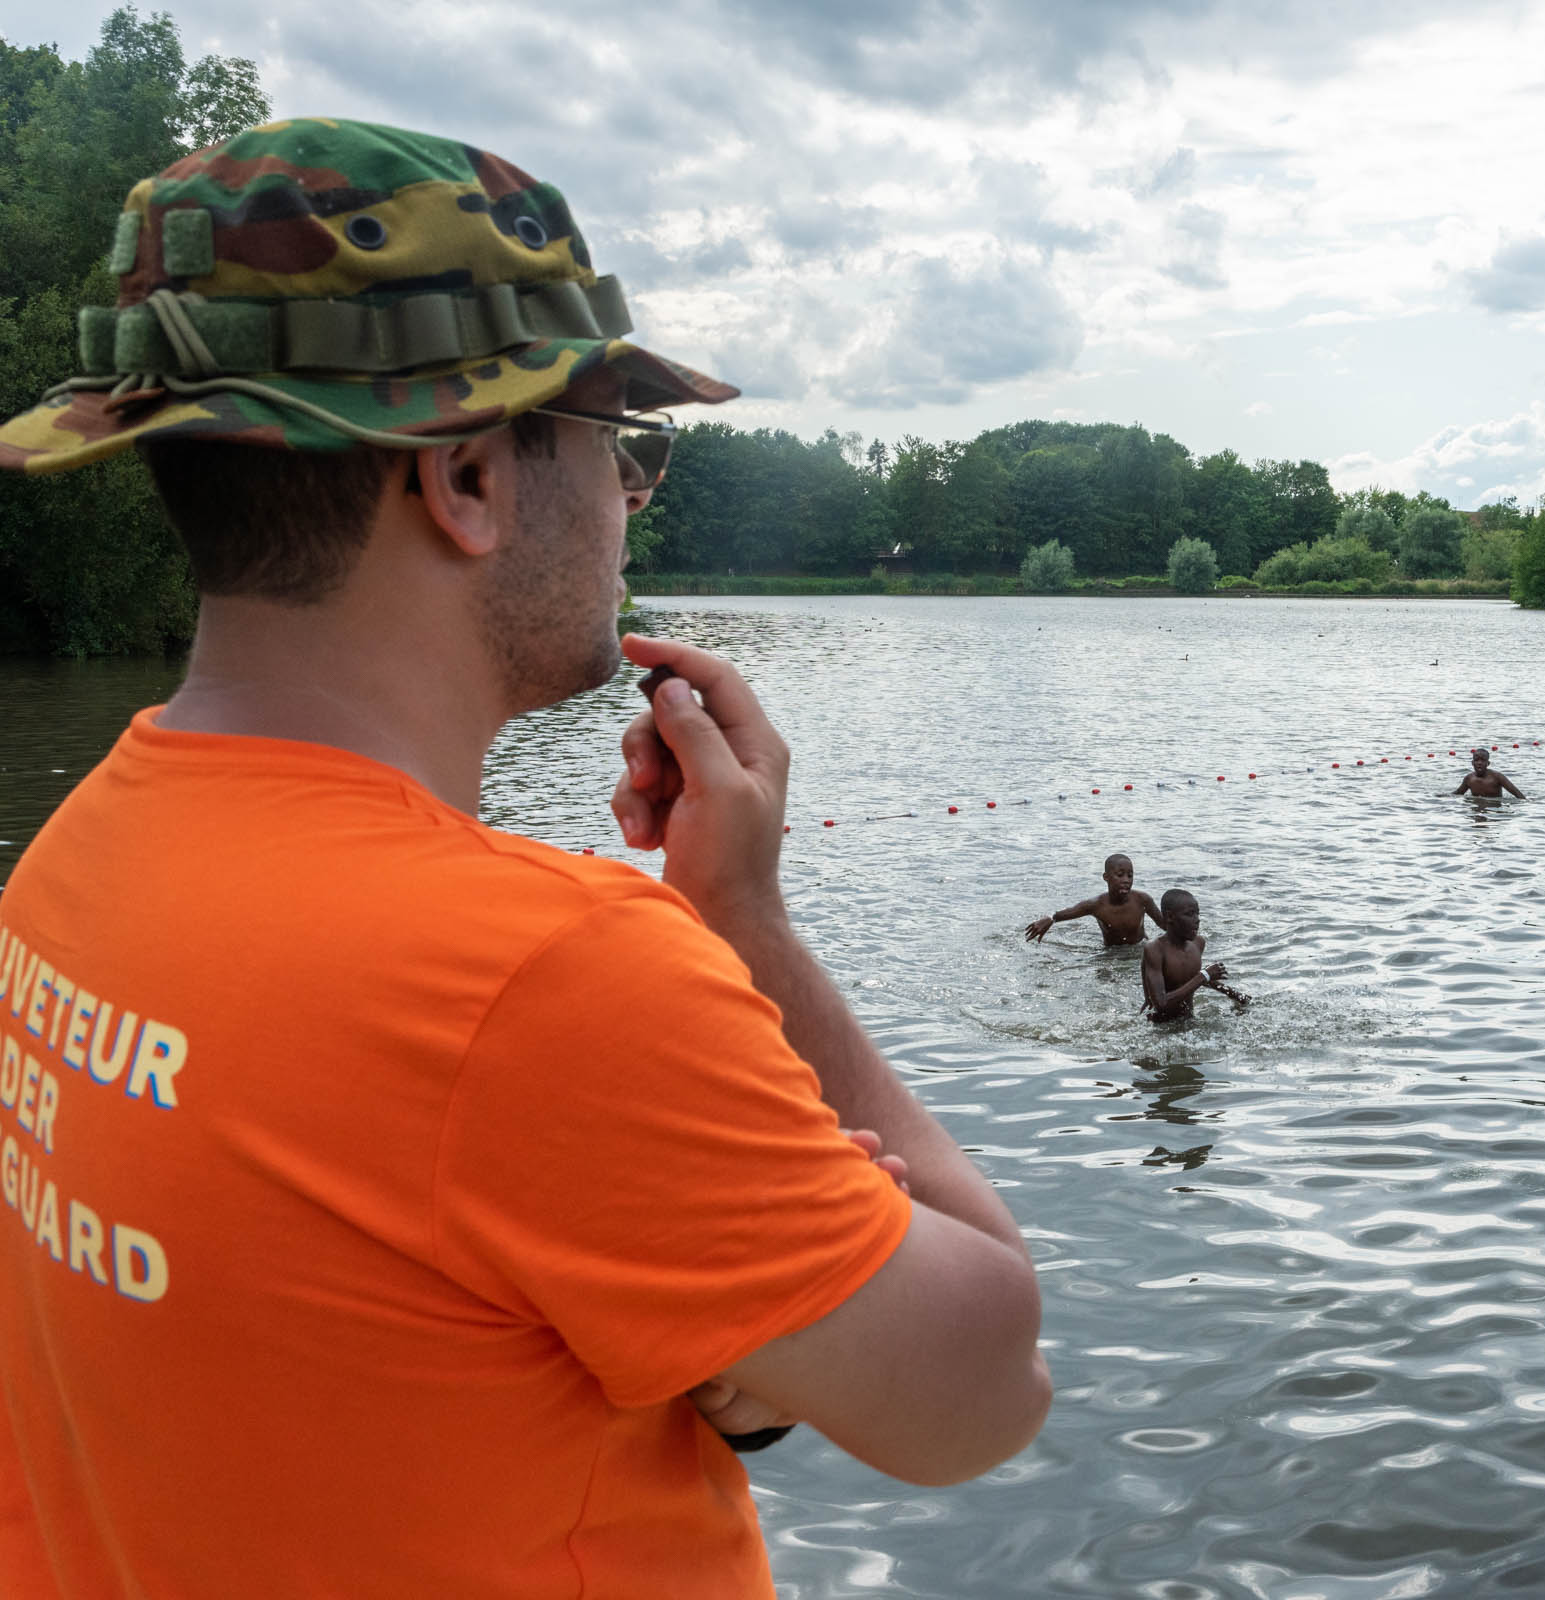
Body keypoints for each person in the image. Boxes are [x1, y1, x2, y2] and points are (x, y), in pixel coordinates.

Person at [0, 120, 1047, 1600]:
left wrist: (716, 1332)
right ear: (473, 483)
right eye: (618, 448)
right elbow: (983, 1386)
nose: (629, 503)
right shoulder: (545, 976)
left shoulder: (78, 861)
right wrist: (742, 917)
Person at [1141, 890, 1248, 1021]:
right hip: (1161, 1028)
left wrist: (1233, 994)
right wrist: (1204, 976)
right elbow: (1161, 1004)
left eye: (1197, 914)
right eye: (1190, 914)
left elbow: (1190, 976)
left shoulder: (1198, 943)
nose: (1197, 920)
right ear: (1170, 917)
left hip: (1189, 1020)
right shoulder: (1155, 949)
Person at [1024, 853, 1163, 945]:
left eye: (1130, 875)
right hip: (1111, 954)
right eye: (1120, 875)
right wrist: (1050, 918)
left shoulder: (1142, 900)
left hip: (1138, 949)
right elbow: (1070, 912)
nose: (1126, 880)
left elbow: (1164, 924)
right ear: (1106, 877)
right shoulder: (1097, 905)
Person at [1452, 747, 1526, 800]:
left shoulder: (1497, 777)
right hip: (1475, 808)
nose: (1479, 763)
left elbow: (1517, 794)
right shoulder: (1469, 779)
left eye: (1483, 760)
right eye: (1476, 760)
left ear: (1488, 763)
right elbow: (1458, 793)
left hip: (1494, 810)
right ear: (1472, 763)